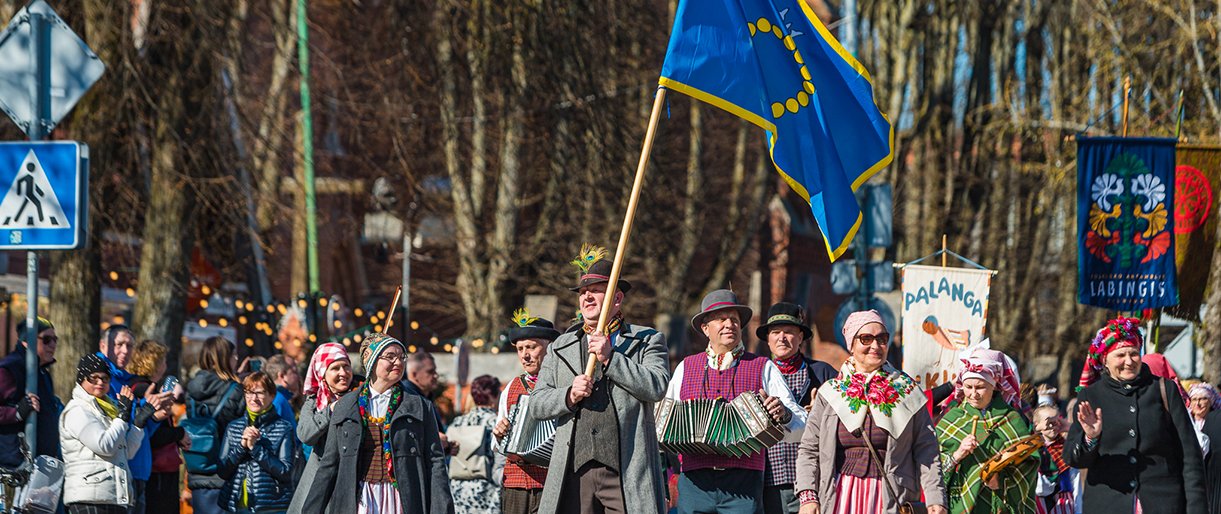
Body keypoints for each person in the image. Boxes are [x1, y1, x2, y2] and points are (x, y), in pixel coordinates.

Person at [530, 246, 670, 514]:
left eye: (596, 290)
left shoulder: (647, 340)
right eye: (583, 292)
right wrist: (568, 395)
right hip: (574, 471)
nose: (587, 297)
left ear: (617, 299)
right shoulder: (560, 346)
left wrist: (611, 358)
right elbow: (537, 404)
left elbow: (657, 386)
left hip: (626, 471)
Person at [662, 290, 806, 514]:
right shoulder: (685, 367)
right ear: (705, 328)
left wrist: (784, 414)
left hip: (744, 484)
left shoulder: (763, 366)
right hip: (693, 483)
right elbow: (664, 422)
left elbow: (801, 425)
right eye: (721, 319)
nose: (729, 324)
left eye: (735, 320)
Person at [794, 310, 947, 514]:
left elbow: (927, 449)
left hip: (890, 497)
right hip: (840, 495)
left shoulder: (907, 392)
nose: (875, 346)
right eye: (866, 338)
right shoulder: (831, 393)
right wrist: (808, 496)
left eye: (882, 339)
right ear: (852, 343)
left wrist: (935, 499)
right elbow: (809, 449)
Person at [1065, 317, 1207, 513]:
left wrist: (1196, 509)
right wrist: (1091, 438)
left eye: (1134, 353)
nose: (1129, 361)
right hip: (1108, 505)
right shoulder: (1091, 396)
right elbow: (1073, 458)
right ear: (1105, 359)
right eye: (1120, 355)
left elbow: (1190, 457)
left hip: (1163, 504)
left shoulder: (1164, 389)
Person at [303, 333, 453, 514]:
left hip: (402, 500)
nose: (398, 362)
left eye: (401, 357)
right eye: (390, 356)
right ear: (371, 361)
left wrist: (442, 509)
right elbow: (329, 465)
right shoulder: (346, 405)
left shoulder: (419, 406)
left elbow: (435, 462)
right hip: (359, 500)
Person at [756, 302, 837, 514]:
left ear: (800, 338)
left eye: (789, 332)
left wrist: (821, 415)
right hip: (767, 478)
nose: (782, 338)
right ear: (768, 339)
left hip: (812, 477)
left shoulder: (822, 374)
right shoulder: (756, 374)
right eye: (775, 332)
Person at [935, 348, 1037, 513]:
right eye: (968, 387)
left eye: (980, 387)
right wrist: (957, 455)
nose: (973, 394)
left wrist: (1001, 481)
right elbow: (932, 466)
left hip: (995, 505)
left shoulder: (1011, 419)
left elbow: (1029, 464)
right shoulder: (951, 418)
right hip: (956, 506)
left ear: (994, 386)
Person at [96, 326, 173, 514]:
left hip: (138, 469)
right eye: (119, 344)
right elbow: (113, 423)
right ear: (104, 345)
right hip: (115, 471)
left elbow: (141, 430)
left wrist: (154, 417)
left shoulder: (128, 380)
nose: (125, 350)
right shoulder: (101, 381)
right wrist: (145, 406)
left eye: (129, 345)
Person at [492, 309, 559, 514]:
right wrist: (499, 433)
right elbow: (496, 446)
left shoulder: (562, 386)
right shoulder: (511, 387)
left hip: (551, 483)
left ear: (549, 348)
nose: (525, 355)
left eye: (531, 347)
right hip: (515, 484)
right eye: (520, 349)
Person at [60, 354, 144, 513]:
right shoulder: (77, 410)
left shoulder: (108, 410)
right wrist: (122, 416)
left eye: (105, 379)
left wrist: (139, 425)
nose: (100, 382)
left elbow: (126, 453)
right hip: (89, 499)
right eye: (93, 378)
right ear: (81, 380)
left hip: (113, 497)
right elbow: (104, 445)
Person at [217, 371, 297, 513]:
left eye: (259, 393)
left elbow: (286, 472)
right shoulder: (233, 427)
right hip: (236, 505)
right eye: (249, 393)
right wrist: (241, 446)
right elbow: (222, 470)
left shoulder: (284, 428)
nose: (253, 398)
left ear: (272, 396)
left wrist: (256, 449)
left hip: (271, 506)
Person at [287, 342, 353, 513]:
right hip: (322, 483)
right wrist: (330, 410)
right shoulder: (314, 402)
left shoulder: (359, 395)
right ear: (322, 373)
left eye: (346, 366)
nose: (343, 373)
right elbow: (305, 434)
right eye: (335, 368)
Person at [128, 339, 191, 514]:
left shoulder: (135, 386)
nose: (165, 364)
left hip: (151, 468)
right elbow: (153, 434)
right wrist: (179, 433)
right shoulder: (145, 391)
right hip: (156, 470)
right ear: (154, 362)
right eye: (162, 360)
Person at [186, 336, 247, 514]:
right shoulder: (235, 390)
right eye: (234, 355)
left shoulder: (192, 387)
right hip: (225, 470)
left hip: (198, 468)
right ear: (224, 358)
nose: (236, 359)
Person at [0, 317, 61, 475]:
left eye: (55, 339)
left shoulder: (43, 373)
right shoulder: (10, 369)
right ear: (27, 341)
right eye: (47, 339)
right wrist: (17, 412)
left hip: (40, 467)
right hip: (13, 469)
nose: (53, 345)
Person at [448, 375, 501, 514]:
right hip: (485, 492)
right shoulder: (496, 423)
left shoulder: (457, 422)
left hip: (458, 492)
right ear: (493, 395)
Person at [1031, 406, 1076, 514]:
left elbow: (1075, 479)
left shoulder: (1066, 446)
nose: (1052, 426)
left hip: (1064, 501)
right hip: (1038, 501)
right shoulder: (1032, 449)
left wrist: (1069, 427)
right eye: (1049, 422)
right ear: (1036, 425)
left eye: (1056, 421)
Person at [1187, 383, 1221, 511]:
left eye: (1203, 399)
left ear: (1211, 401)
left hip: (1213, 477)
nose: (1198, 403)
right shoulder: (1186, 421)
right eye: (1195, 399)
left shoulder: (1216, 421)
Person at [263, 355, 301, 427]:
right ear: (282, 376)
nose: (298, 376)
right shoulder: (278, 400)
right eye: (295, 372)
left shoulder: (280, 398)